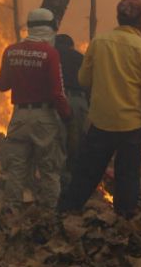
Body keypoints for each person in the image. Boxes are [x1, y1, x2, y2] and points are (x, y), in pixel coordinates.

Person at [58, 0, 141, 218]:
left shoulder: (99, 42)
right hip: (132, 127)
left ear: (118, 17)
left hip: (101, 122)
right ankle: (124, 221)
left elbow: (84, 79)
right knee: (127, 175)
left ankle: (66, 211)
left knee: (86, 172)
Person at [0, 8, 72, 210]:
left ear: (29, 27)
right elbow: (58, 93)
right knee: (49, 168)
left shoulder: (11, 51)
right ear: (50, 28)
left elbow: (2, 85)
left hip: (18, 118)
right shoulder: (50, 54)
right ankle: (50, 214)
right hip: (44, 118)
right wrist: (67, 116)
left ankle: (11, 212)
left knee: (16, 168)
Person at [53, 34, 89, 187]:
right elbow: (90, 82)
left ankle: (60, 182)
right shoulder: (80, 57)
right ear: (71, 46)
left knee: (59, 142)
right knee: (78, 141)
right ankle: (76, 183)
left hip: (57, 101)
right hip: (79, 100)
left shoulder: (51, 56)